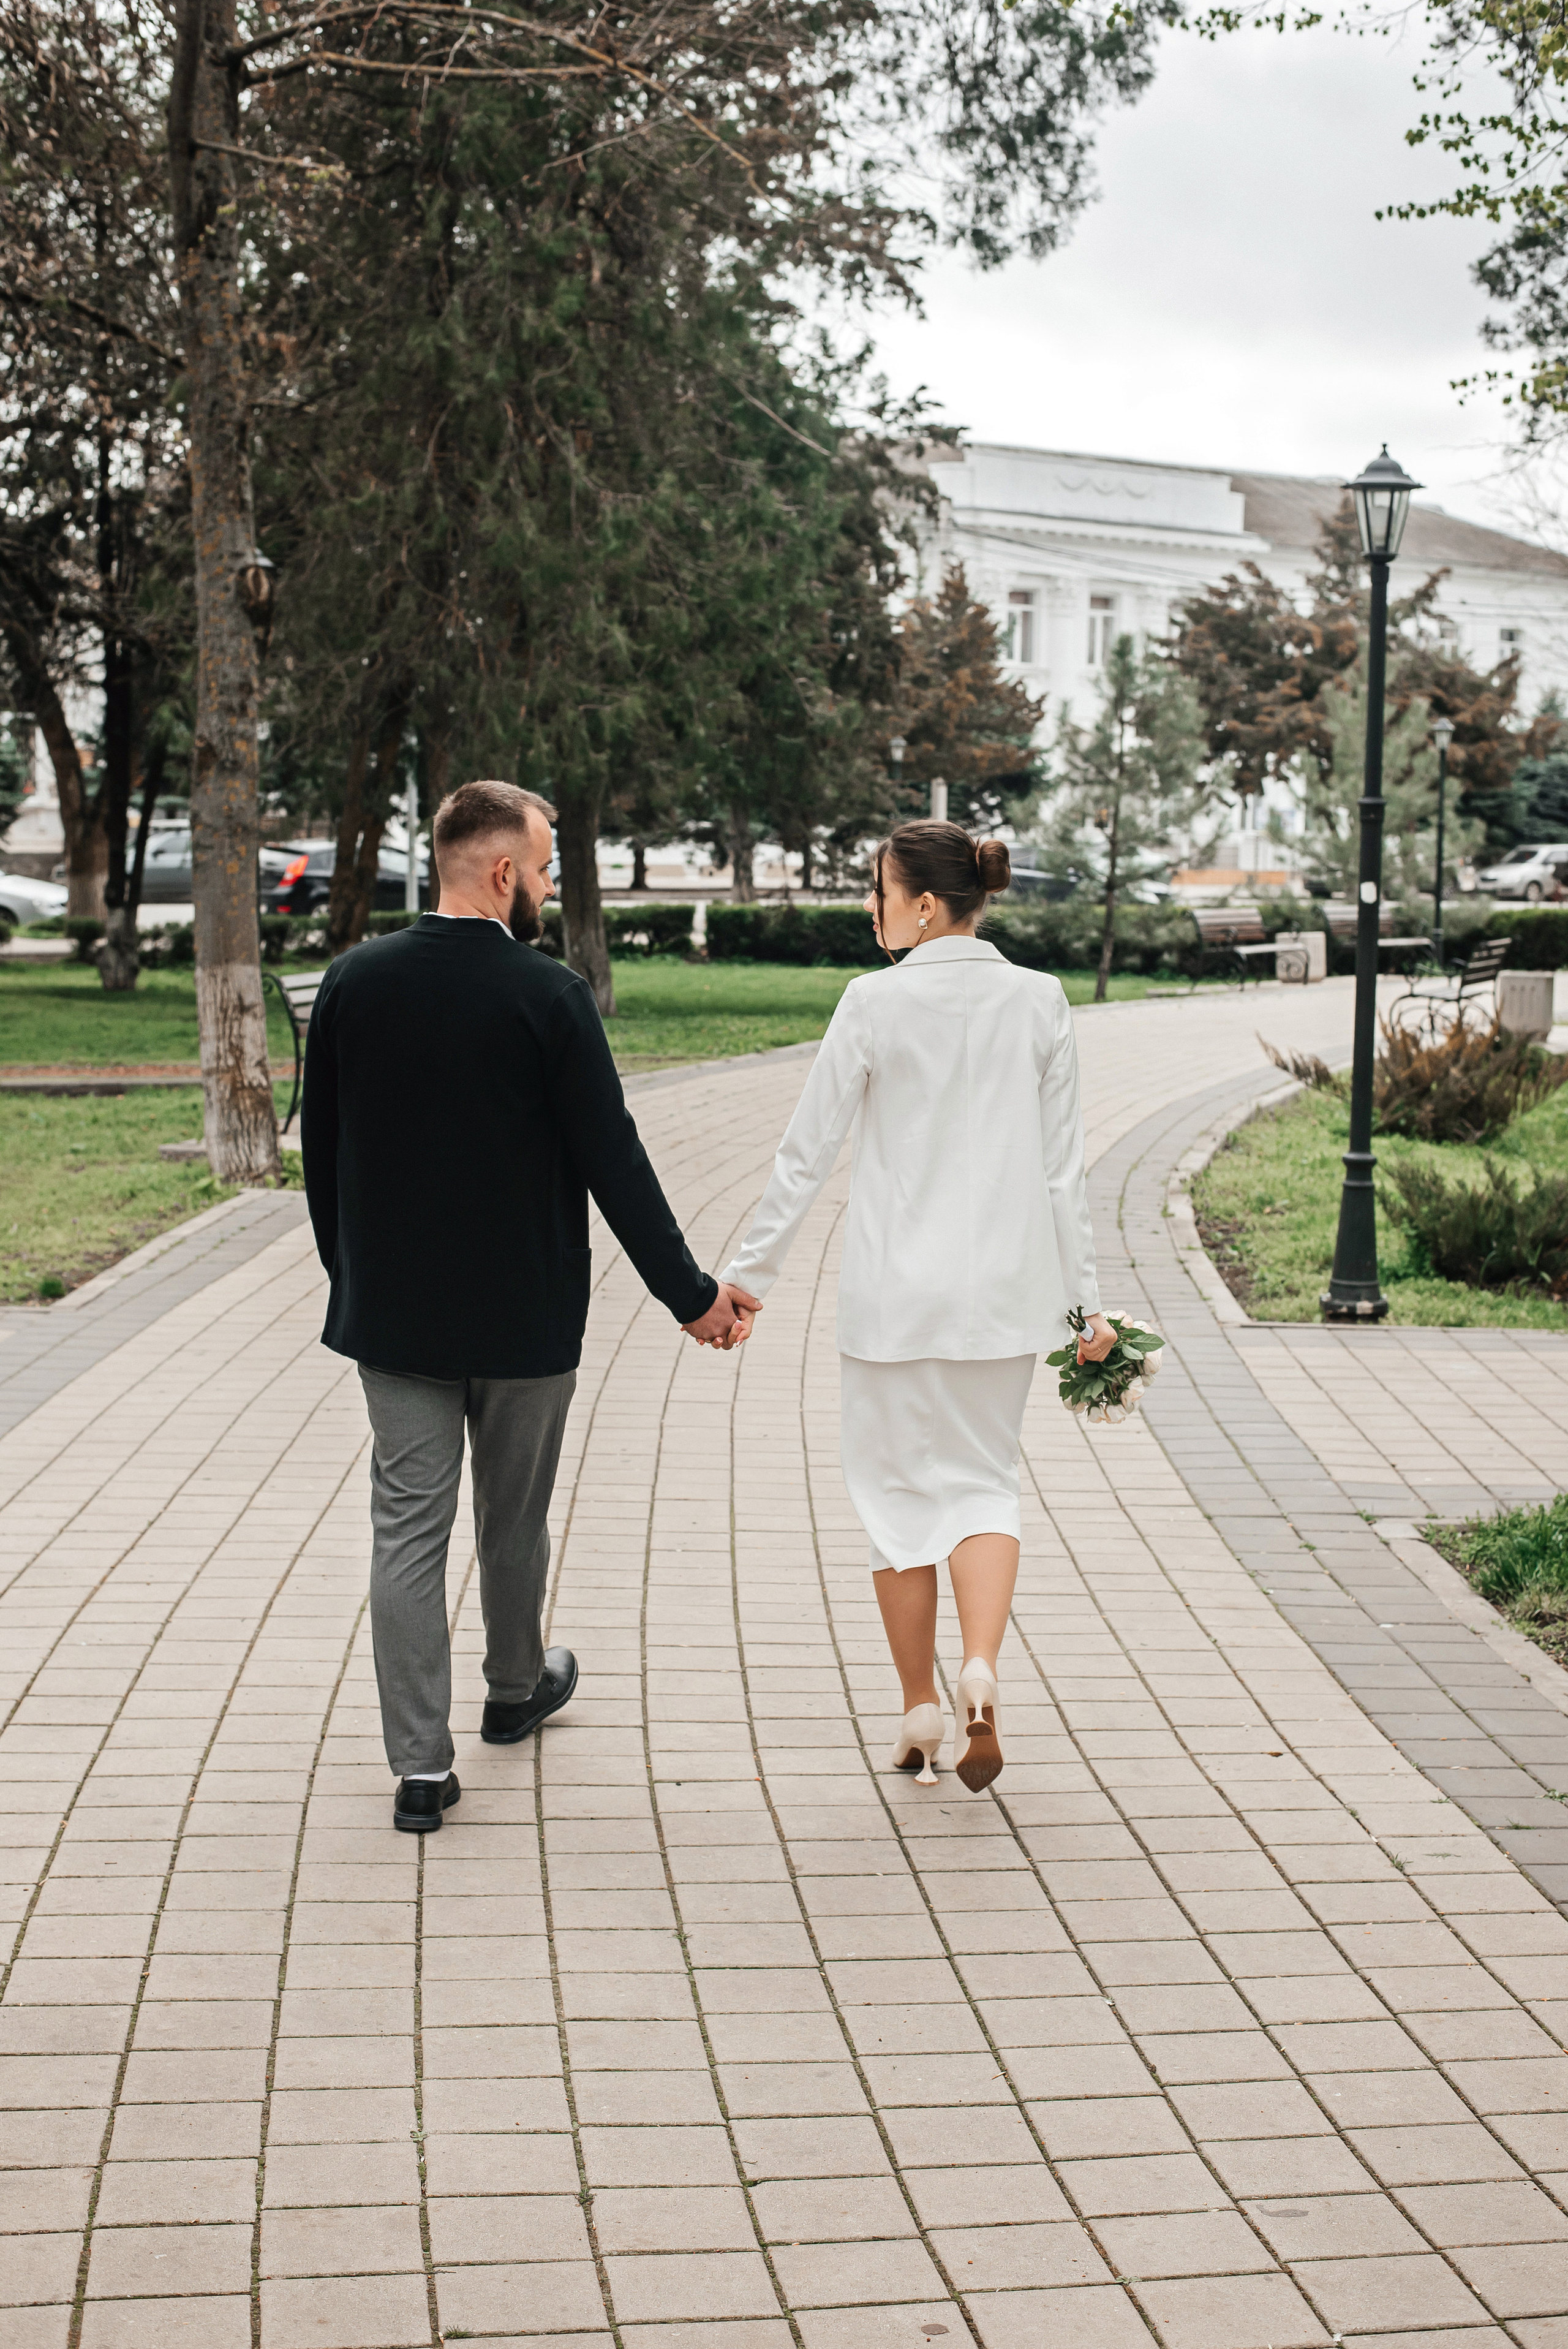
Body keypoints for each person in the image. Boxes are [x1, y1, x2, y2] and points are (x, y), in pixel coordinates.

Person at [302, 779, 756, 1832]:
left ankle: (420, 1768)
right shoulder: (546, 996)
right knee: (514, 1516)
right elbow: (614, 1161)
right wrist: (691, 1297)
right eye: (546, 866)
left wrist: (353, 1278)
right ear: (502, 872)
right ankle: (514, 1693)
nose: (549, 884)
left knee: (407, 1530)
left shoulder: (352, 983)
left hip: (397, 1318)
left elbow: (323, 1159)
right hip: (525, 1317)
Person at [717, 819, 1114, 1793]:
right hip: (1005, 1301)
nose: (872, 907)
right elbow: (1064, 1177)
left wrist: (749, 1276)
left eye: (879, 891)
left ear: (925, 905)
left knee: (897, 1509)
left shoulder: (872, 1003)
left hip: (895, 1298)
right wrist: (1085, 1314)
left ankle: (919, 1708)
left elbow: (805, 1155)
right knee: (985, 1484)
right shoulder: (1042, 1000)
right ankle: (981, 1668)